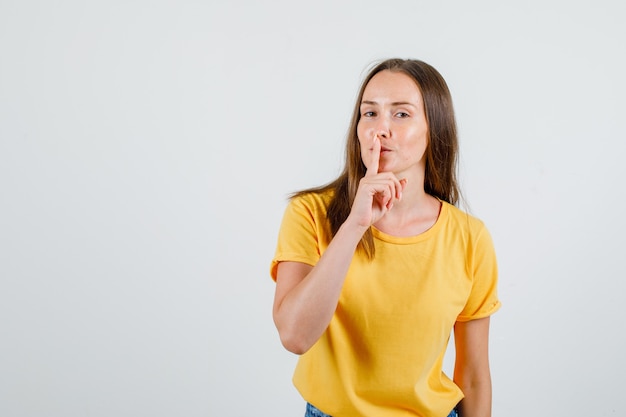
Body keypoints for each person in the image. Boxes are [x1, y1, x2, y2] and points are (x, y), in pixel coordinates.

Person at [270, 58, 500, 417]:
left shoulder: (470, 238)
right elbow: (295, 336)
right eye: (369, 113)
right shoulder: (309, 213)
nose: (380, 129)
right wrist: (354, 225)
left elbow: (473, 376)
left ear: (434, 128)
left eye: (401, 114)